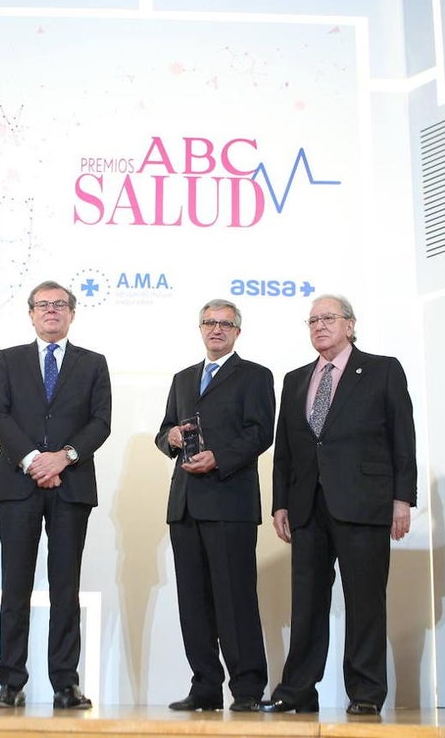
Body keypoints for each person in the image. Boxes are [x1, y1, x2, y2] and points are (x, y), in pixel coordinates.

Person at [260, 294, 416, 716]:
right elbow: (287, 450)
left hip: (365, 502)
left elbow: (403, 438)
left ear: (350, 324)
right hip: (307, 504)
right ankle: (297, 690)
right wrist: (280, 504)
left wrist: (402, 499)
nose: (319, 326)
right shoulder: (295, 379)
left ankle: (365, 692)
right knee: (306, 602)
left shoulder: (382, 370)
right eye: (312, 320)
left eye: (327, 318)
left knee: (365, 600)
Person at [0, 280, 112, 710]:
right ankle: (11, 682)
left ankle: (65, 683)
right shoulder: (8, 360)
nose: (52, 311)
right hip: (17, 486)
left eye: (60, 305)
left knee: (65, 587)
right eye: (43, 305)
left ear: (73, 313)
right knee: (14, 588)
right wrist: (32, 460)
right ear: (31, 314)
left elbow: (100, 422)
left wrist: (64, 457)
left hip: (71, 484)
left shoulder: (93, 363)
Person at [154, 299, 274, 712]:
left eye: (225, 324)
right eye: (209, 322)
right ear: (200, 328)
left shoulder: (256, 376)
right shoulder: (183, 378)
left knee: (235, 599)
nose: (216, 329)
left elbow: (261, 433)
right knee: (194, 601)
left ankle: (247, 689)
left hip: (229, 503)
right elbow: (163, 430)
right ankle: (205, 685)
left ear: (238, 331)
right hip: (184, 504)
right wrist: (169, 438)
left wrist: (219, 456)